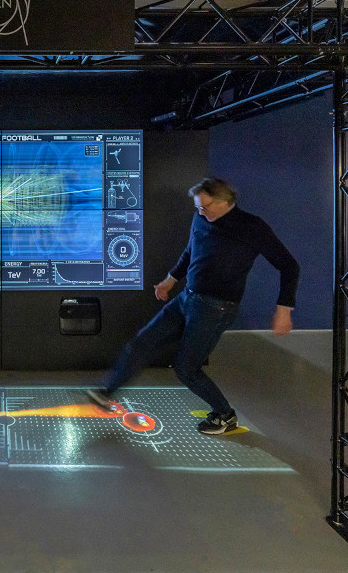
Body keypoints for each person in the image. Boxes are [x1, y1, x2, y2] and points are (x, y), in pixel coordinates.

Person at [87, 177, 299, 435]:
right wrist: (170, 280)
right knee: (141, 343)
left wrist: (283, 310)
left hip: (217, 308)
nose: (200, 212)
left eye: (205, 207)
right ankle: (106, 393)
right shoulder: (201, 218)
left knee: (187, 369)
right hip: (187, 298)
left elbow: (289, 266)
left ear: (225, 202)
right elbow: (191, 251)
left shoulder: (252, 227)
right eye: (198, 207)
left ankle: (225, 414)